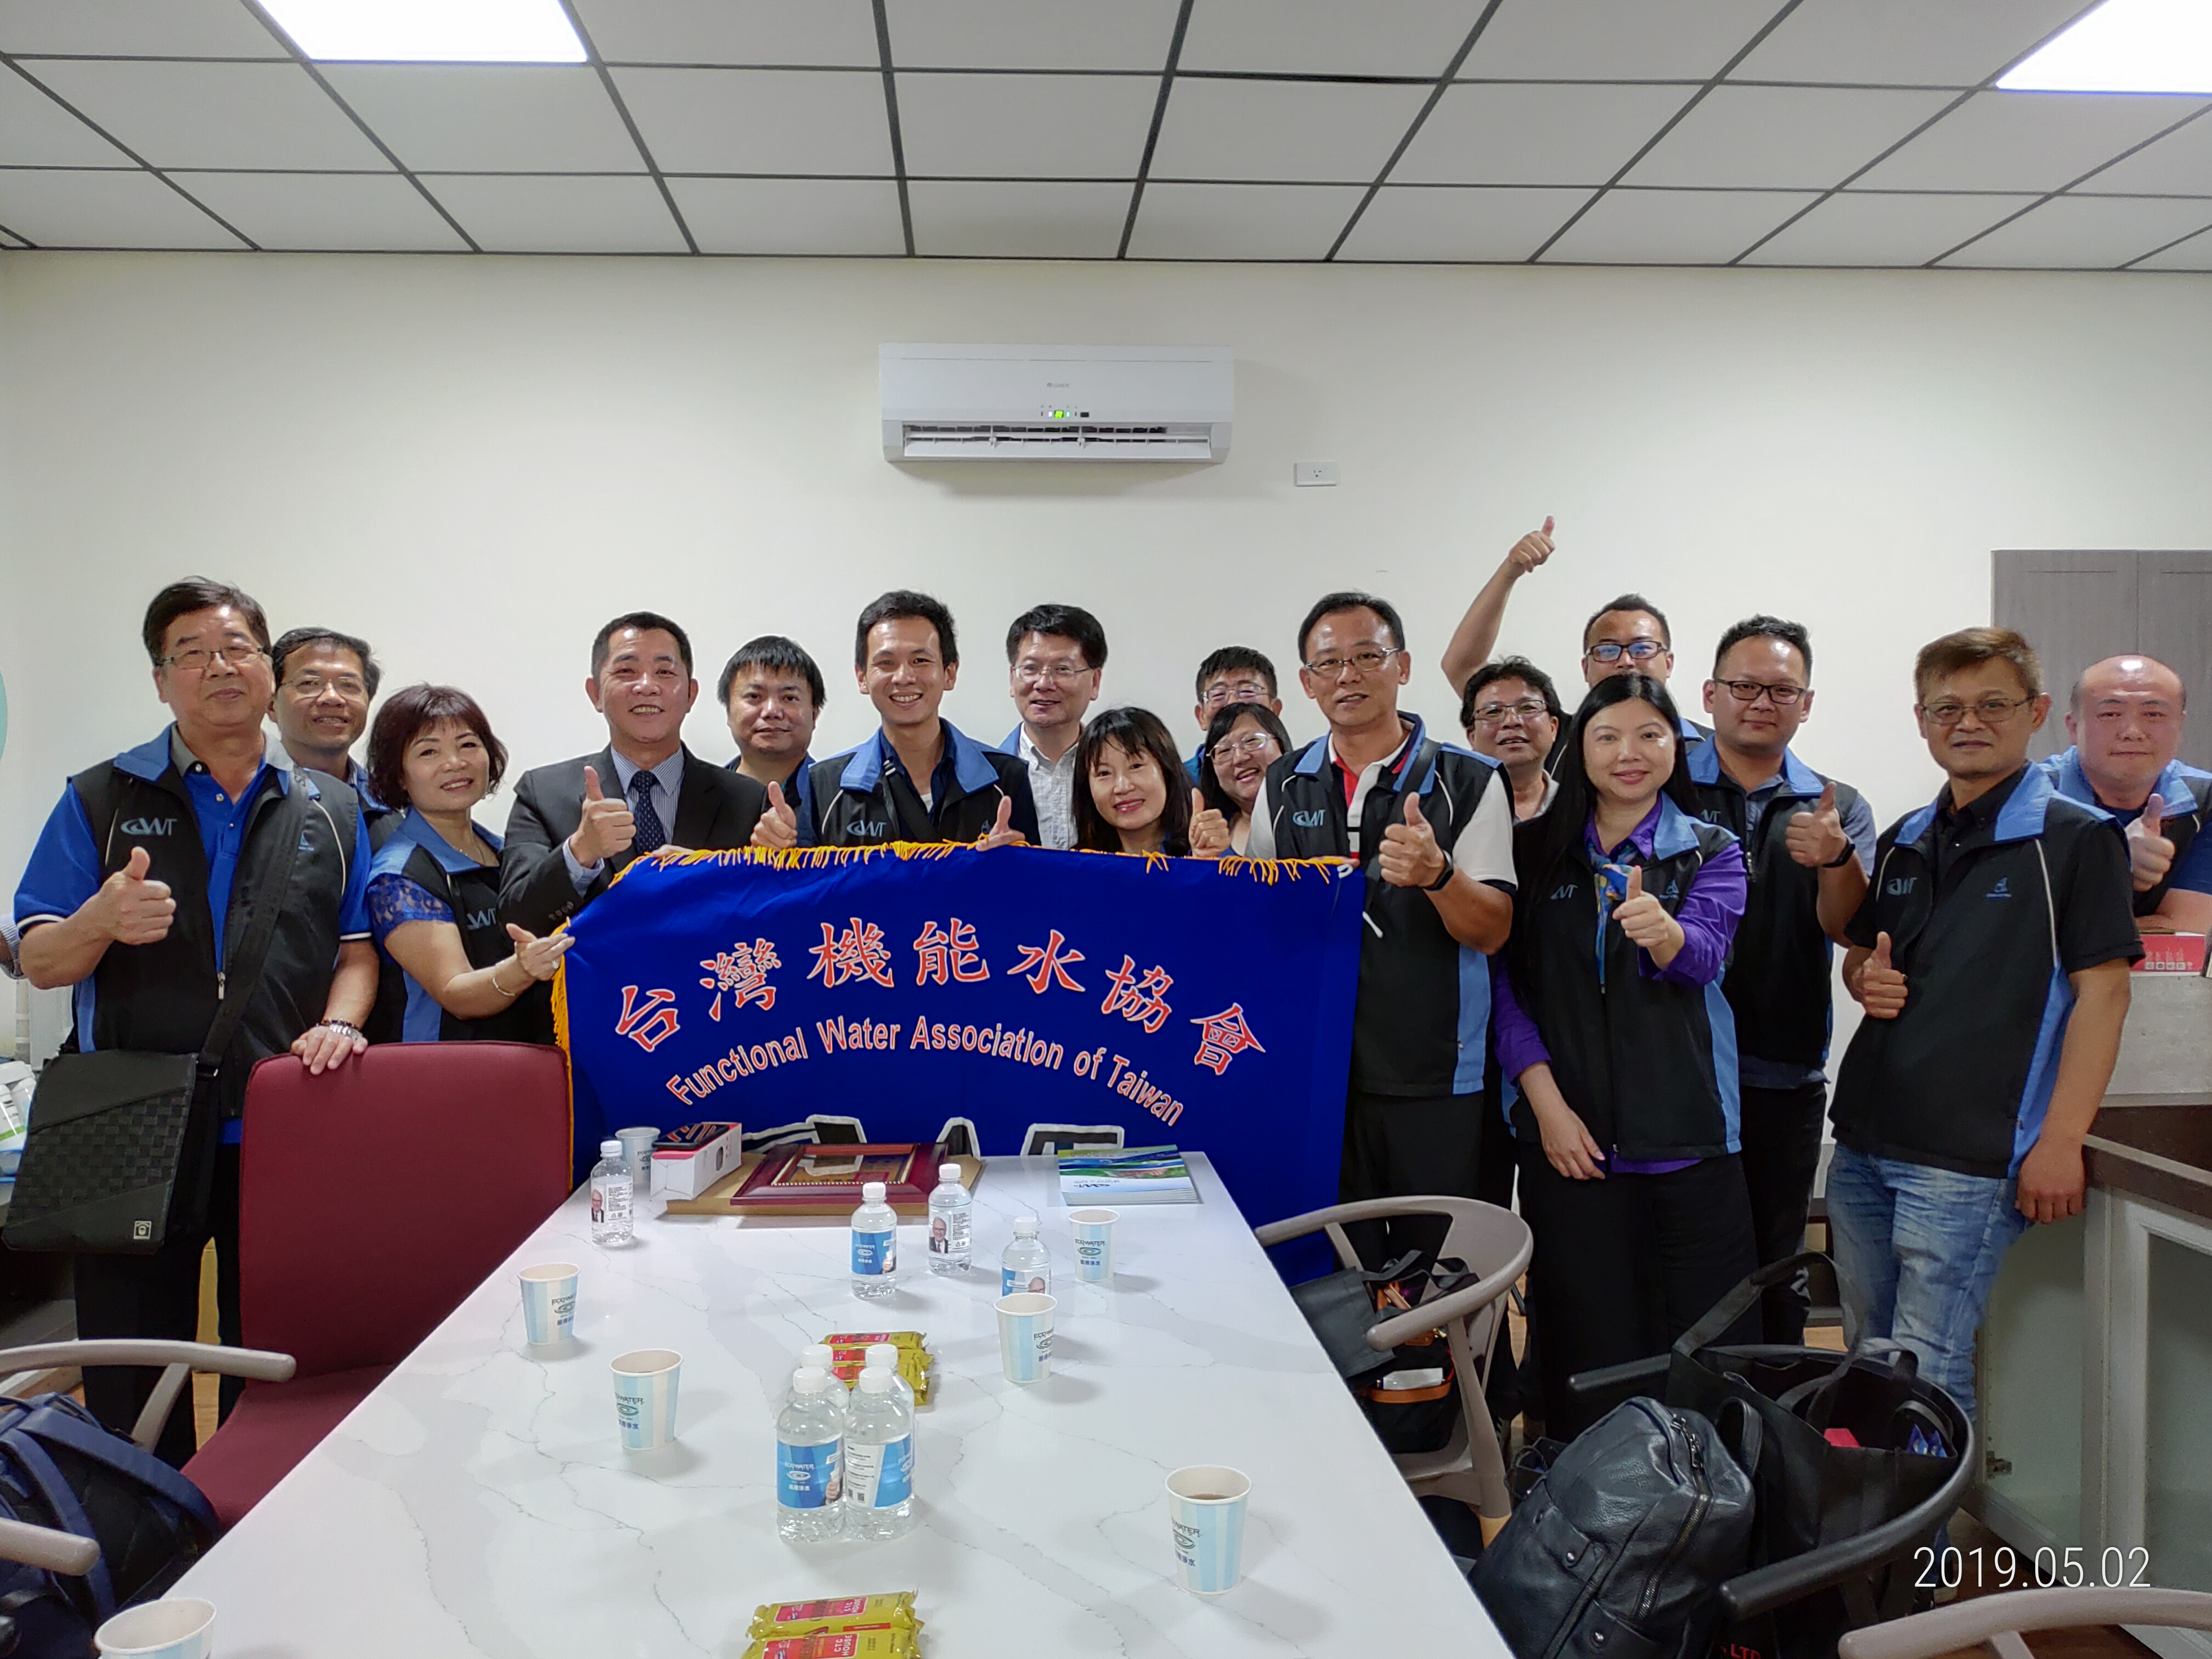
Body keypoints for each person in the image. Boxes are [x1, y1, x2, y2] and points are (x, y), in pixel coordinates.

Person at [11, 578, 375, 1465]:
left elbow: (356, 951)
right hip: (130, 1119)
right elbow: (41, 958)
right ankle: (144, 1522)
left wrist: (340, 1024)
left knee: (281, 1352)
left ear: (269, 671)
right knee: (130, 1364)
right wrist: (99, 921)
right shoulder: (98, 797)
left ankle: (268, 1512)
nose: (219, 667)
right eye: (192, 654)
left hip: (282, 1115)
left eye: (238, 648)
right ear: (160, 679)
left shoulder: (331, 807)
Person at [1830, 628, 2139, 1426]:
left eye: (1993, 705)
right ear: (1922, 720)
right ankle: (1878, 1507)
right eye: (1947, 708)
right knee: (1868, 1358)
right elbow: (1864, 957)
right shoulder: (1906, 836)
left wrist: (2061, 1141)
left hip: (1969, 1160)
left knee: (1926, 1372)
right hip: (1864, 1143)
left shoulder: (2077, 840)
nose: (1968, 723)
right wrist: (1864, 978)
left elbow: (2104, 996)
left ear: (2035, 712)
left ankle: (1929, 1514)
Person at [1490, 673, 1753, 1439]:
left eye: (1649, 735)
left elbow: (1705, 957)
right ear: (1580, 749)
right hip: (1570, 1142)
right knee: (1585, 1345)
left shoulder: (1711, 849)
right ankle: (1584, 1499)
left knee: (1705, 1348)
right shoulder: (1535, 852)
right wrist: (1547, 1109)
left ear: (1677, 746)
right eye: (1607, 737)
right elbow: (1508, 993)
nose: (1628, 753)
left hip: (1690, 1136)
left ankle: (1707, 1494)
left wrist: (1665, 933)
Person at [1247, 591, 1516, 1268]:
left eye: (1368, 656)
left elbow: (1493, 930)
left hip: (1434, 1074)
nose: (1348, 676)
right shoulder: (1284, 783)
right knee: (1340, 1272)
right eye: (1329, 663)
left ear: (1403, 666)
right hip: (1322, 1076)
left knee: (1436, 1277)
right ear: (1306, 682)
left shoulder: (1469, 780)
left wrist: (1438, 876)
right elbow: (1261, 924)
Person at [1689, 616, 1877, 1342]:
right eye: (1744, 687)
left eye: (1781, 690)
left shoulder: (1838, 806)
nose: (1761, 703)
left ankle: (1774, 1397)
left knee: (1777, 1258)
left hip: (1782, 1066)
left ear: (1807, 704)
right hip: (1674, 1066)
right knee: (1684, 1255)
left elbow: (1850, 929)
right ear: (1710, 694)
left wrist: (1836, 859)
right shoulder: (1664, 787)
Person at [500, 611, 769, 937]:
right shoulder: (542, 795)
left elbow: (767, 918)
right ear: (595, 693)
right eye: (626, 671)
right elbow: (514, 921)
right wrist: (580, 852)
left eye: (664, 672)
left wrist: (715, 876)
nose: (647, 686)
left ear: (691, 694)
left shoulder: (748, 800)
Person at [365, 685, 568, 1043]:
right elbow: (456, 993)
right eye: (429, 751)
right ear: (398, 774)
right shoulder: (399, 876)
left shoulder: (504, 849)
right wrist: (521, 970)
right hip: (450, 1065)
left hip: (529, 1055)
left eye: (468, 744)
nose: (455, 763)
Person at [1435, 518, 1708, 745]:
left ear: (1668, 663)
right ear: (1586, 668)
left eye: (1642, 649)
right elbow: (1463, 667)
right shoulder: (1555, 740)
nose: (1626, 661)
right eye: (1607, 650)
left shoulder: (1709, 749)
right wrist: (1510, 573)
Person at [805, 590, 1039, 848]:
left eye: (920, 660)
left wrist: (1014, 862)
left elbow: (1033, 873)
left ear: (949, 673)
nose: (904, 677)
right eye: (886, 663)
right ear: (862, 678)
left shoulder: (1006, 778)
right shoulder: (824, 786)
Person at [2038, 654, 2212, 934]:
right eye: (2110, 714)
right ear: (2073, 727)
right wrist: (2116, 865)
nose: (2132, 732)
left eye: (2153, 715)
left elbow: (2186, 932)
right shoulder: (2027, 798)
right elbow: (2021, 932)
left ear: (2180, 726)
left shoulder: (2206, 798)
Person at [269, 627, 398, 837]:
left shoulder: (392, 803)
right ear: (271, 705)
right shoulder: (245, 794)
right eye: (310, 683)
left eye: (349, 685)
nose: (332, 698)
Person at [999, 604, 1108, 851]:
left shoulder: (1122, 779)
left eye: (1062, 669)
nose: (1044, 683)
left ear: (1095, 682)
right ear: (1012, 679)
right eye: (1030, 668)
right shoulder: (985, 776)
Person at [720, 634, 826, 848]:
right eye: (754, 697)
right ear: (729, 713)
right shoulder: (696, 798)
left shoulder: (840, 800)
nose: (772, 711)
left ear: (814, 715)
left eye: (789, 698)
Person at [1074, 707, 1194, 856]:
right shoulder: (1080, 864)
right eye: (1104, 773)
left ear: (1167, 771)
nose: (1123, 787)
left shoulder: (1207, 856)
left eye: (1136, 766)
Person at [1460, 656, 1564, 821]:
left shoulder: (1583, 808)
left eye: (1527, 708)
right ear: (1472, 737)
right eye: (1493, 712)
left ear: (1553, 728)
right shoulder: (1452, 811)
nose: (1512, 721)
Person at [1189, 702, 1292, 856]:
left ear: (1281, 745)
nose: (1239, 758)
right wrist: (1202, 861)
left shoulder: (1312, 817)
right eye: (1224, 751)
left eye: (1251, 741)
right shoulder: (1209, 834)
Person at [1186, 647, 1284, 782]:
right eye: (1219, 695)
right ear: (1201, 716)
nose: (1233, 703)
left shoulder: (1302, 778)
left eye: (1248, 691)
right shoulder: (1178, 784)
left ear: (1275, 709)